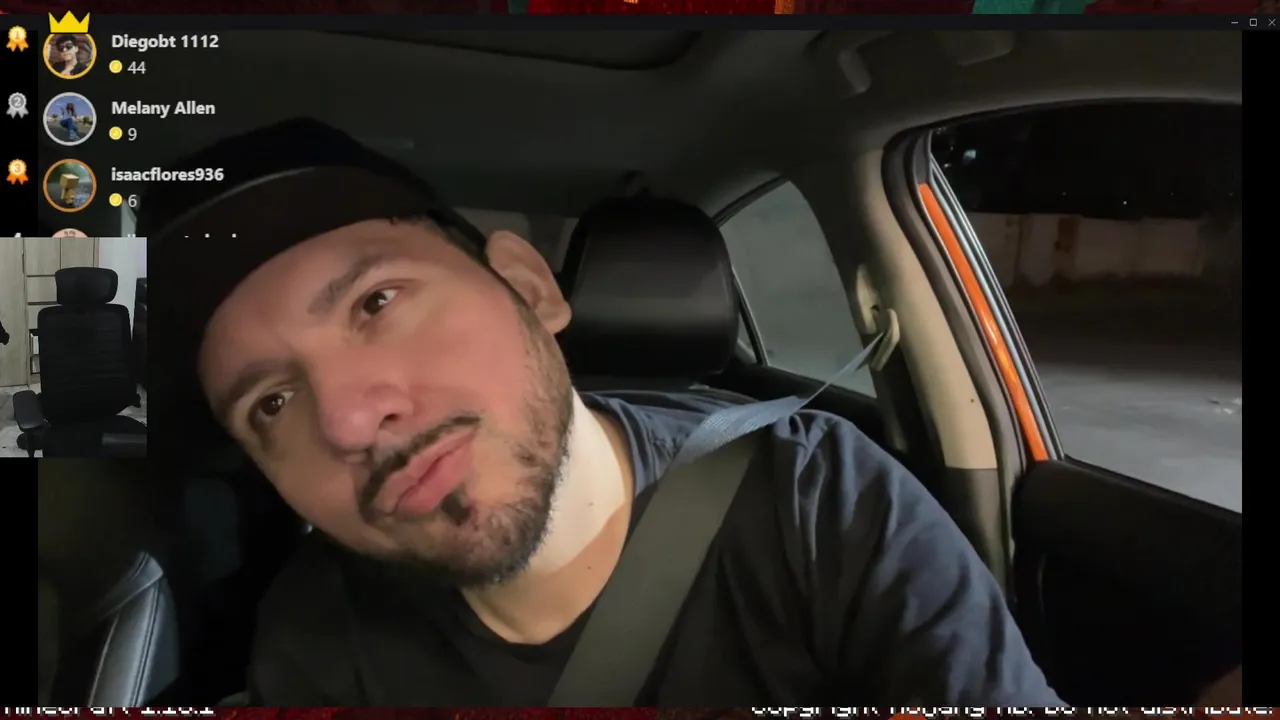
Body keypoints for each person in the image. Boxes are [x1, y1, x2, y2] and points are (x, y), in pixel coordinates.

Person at [147, 118, 1066, 707]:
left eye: (376, 303)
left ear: (528, 286)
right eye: (272, 402)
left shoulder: (824, 502)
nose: (348, 423)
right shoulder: (315, 632)